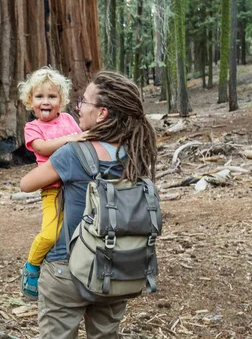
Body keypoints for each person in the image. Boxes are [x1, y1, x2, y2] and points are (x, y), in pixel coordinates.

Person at [20, 71, 157, 339]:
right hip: (116, 269)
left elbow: (27, 184)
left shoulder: (73, 152)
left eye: (84, 101)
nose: (79, 107)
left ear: (103, 113)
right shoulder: (136, 153)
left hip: (67, 270)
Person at [17, 66, 86, 301]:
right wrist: (72, 138)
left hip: (76, 188)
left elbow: (83, 141)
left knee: (76, 231)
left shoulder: (67, 119)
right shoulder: (32, 127)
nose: (45, 101)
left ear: (61, 100)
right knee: (50, 234)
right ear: (30, 100)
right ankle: (32, 266)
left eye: (52, 96)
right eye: (39, 96)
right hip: (52, 189)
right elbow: (42, 148)